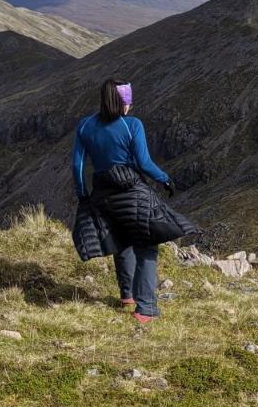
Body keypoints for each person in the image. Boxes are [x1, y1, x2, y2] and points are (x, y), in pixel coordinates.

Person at [71, 79, 196, 323]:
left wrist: (83, 195)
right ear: (120, 101)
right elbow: (143, 163)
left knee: (121, 240)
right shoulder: (132, 125)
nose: (131, 104)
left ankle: (127, 295)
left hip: (102, 193)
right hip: (132, 190)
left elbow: (78, 166)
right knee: (147, 246)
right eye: (128, 100)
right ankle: (146, 308)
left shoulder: (85, 125)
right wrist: (165, 179)